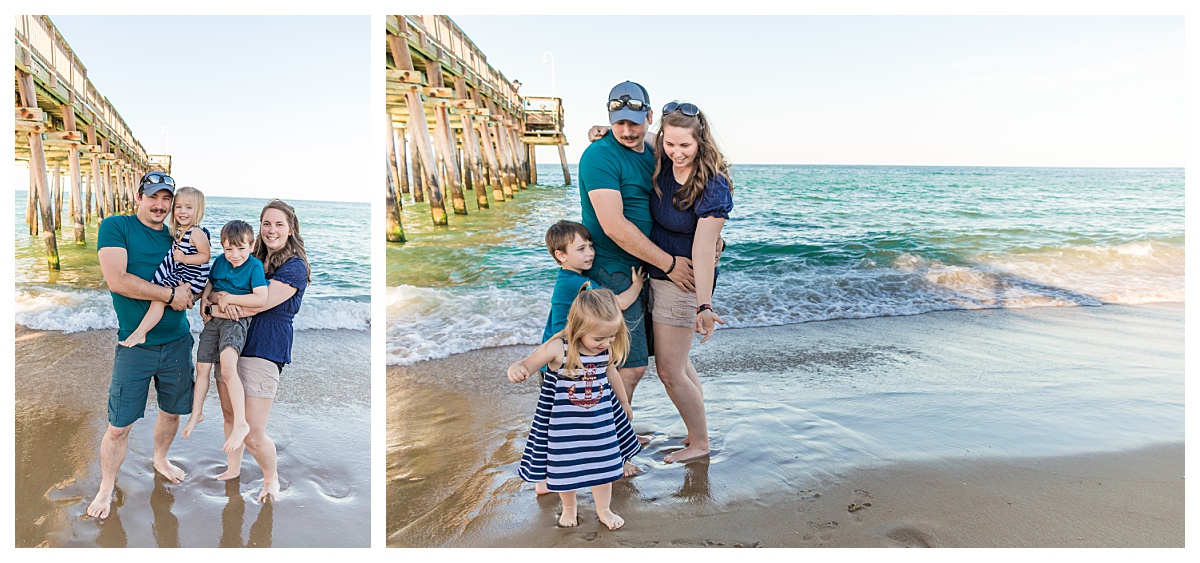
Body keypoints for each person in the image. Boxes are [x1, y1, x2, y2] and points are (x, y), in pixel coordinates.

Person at [578, 81, 697, 423]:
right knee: (627, 367)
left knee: (655, 361)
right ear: (609, 119)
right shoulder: (599, 155)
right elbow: (613, 225)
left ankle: (620, 434)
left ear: (649, 116)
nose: (627, 131)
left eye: (634, 122)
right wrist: (670, 263)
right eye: (619, 123)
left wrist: (711, 236)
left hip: (644, 273)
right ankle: (613, 441)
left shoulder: (653, 150)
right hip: (613, 271)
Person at [88, 171, 196, 520]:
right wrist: (169, 294)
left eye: (167, 199)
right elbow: (117, 280)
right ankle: (106, 487)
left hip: (178, 341)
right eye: (154, 197)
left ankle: (160, 458)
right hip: (134, 346)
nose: (160, 205)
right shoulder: (116, 227)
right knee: (119, 425)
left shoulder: (177, 237)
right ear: (139, 197)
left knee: (172, 410)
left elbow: (202, 272)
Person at [203, 199, 310, 502]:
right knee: (228, 413)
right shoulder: (250, 259)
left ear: (290, 229)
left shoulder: (295, 267)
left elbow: (260, 303)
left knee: (252, 431)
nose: (271, 230)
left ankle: (270, 478)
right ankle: (233, 469)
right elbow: (219, 288)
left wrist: (216, 303)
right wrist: (216, 300)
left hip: (266, 348)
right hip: (234, 342)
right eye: (266, 223)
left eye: (279, 224)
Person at [507, 289, 642, 530]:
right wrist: (517, 369)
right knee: (566, 468)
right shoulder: (558, 348)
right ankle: (569, 509)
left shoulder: (605, 351)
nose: (606, 344)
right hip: (564, 426)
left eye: (611, 337)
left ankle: (604, 510)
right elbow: (527, 363)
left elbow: (612, 375)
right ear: (579, 328)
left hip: (599, 422)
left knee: (605, 465)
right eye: (599, 339)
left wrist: (623, 403)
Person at [647, 101, 734, 463]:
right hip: (659, 273)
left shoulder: (713, 184)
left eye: (686, 146)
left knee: (669, 371)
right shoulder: (663, 158)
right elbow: (646, 137)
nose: (677, 153)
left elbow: (703, 248)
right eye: (670, 144)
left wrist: (705, 305)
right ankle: (696, 432)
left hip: (684, 282)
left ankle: (700, 444)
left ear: (701, 141)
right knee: (680, 366)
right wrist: (601, 131)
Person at [183, 220, 269, 452]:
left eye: (241, 249)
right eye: (229, 249)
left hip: (235, 323)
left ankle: (240, 423)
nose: (234, 254)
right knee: (202, 368)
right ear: (222, 247)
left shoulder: (254, 267)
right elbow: (210, 283)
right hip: (214, 321)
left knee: (229, 369)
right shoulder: (221, 261)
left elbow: (260, 299)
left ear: (251, 246)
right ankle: (196, 412)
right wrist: (205, 301)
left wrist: (228, 298)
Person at [118, 186, 211, 348]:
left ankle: (141, 332)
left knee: (160, 299)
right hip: (184, 275)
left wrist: (184, 258)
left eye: (189, 208)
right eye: (178, 207)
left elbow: (206, 256)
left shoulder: (196, 232)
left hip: (193, 278)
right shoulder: (180, 232)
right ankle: (141, 332)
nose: (183, 211)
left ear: (198, 210)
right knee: (160, 297)